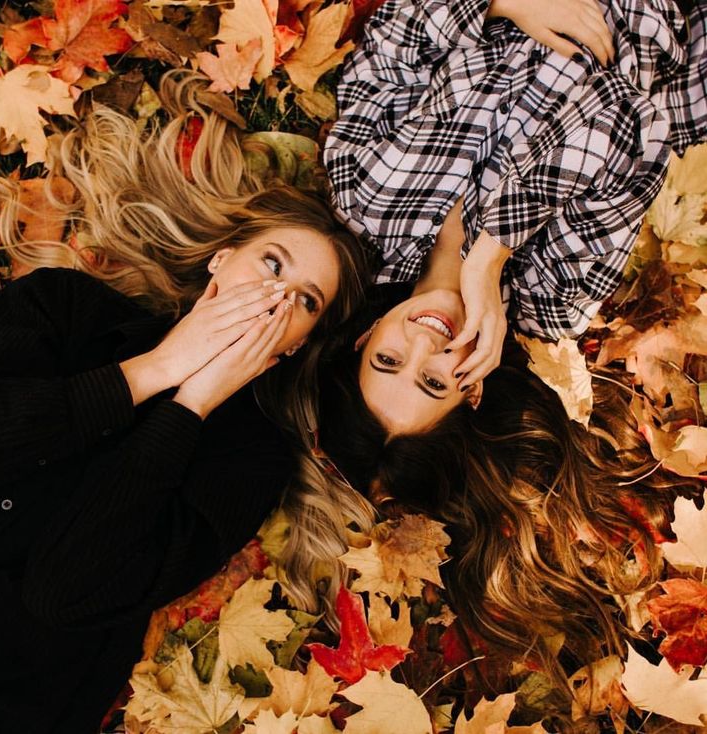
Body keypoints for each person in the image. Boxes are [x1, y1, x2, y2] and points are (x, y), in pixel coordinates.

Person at [275, 0, 705, 689]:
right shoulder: (555, 291)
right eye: (435, 382)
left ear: (362, 337)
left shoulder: (362, 195)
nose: (422, 345)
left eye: (388, 360)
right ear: (472, 388)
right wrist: (491, 256)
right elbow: (632, 105)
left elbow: (397, 37)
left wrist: (501, 2)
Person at [0, 72, 369, 733]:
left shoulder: (247, 458)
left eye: (305, 302)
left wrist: (189, 407)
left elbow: (62, 591)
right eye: (272, 265)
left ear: (300, 343)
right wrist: (152, 371)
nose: (276, 300)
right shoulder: (66, 309)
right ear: (221, 261)